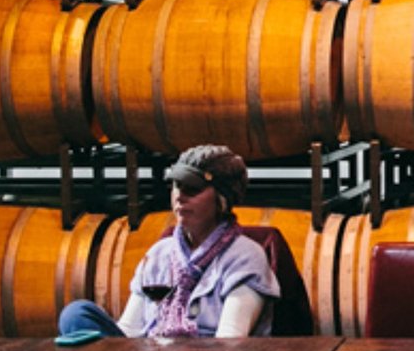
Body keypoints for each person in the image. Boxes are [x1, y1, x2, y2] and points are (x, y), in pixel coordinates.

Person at [58, 144, 278, 339]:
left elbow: (231, 340)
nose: (179, 196)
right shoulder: (160, 253)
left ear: (222, 199)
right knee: (76, 315)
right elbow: (130, 330)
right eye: (176, 185)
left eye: (192, 189)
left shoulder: (245, 256)